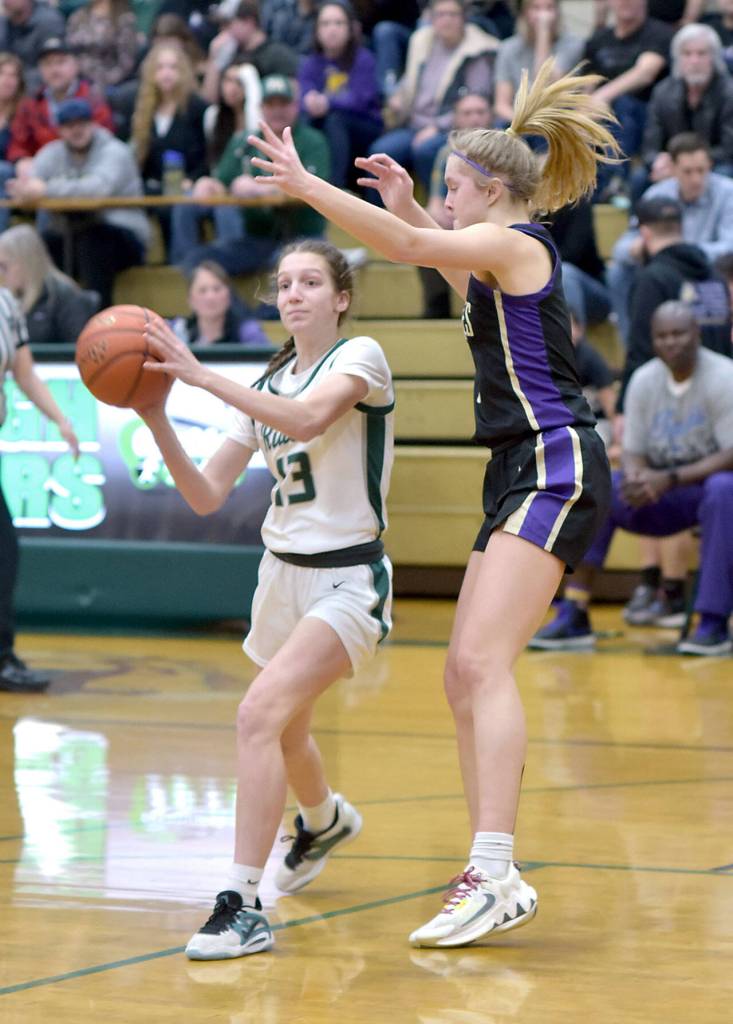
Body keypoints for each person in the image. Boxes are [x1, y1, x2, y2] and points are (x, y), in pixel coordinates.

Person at [247, 58, 617, 946]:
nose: (446, 205)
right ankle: (484, 868)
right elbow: (436, 254)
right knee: (462, 671)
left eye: (454, 190)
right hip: (514, 469)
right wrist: (411, 204)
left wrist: (307, 185)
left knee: (481, 666)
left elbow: (415, 250)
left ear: (489, 191)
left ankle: (494, 871)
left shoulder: (515, 244)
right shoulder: (495, 261)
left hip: (550, 461)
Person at [134, 238, 394, 958]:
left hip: (348, 578)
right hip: (280, 576)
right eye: (284, 284)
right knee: (285, 731)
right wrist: (156, 414)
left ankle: (243, 904)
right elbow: (205, 496)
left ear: (340, 298)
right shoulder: (267, 381)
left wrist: (199, 376)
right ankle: (323, 819)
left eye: (311, 281)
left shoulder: (360, 356)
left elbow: (310, 420)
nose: (295, 293)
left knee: (257, 715)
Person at [531, 301, 733, 656]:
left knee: (724, 489)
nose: (671, 342)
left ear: (696, 335)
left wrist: (666, 479)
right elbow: (635, 450)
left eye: (679, 334)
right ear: (653, 341)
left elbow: (730, 456)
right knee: (602, 483)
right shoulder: (643, 379)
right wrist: (638, 476)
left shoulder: (723, 377)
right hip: (663, 489)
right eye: (663, 336)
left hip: (710, 489)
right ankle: (574, 612)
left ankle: (713, 621)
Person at [0, 286, 79, 693]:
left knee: (4, 553)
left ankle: (2, 658)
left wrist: (61, 419)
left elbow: (24, 371)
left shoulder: (5, 304)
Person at [170, 74, 329, 275]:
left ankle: (258, 308)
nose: (277, 110)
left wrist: (258, 189)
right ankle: (230, 306)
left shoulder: (313, 141)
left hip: (304, 235)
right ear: (261, 108)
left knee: (286, 265)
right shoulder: (244, 142)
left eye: (283, 103)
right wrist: (208, 185)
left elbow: (312, 187)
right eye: (271, 104)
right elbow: (222, 182)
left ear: (295, 107)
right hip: (257, 238)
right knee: (198, 260)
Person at [7, 97, 150, 307]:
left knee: (92, 242)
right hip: (69, 233)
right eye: (69, 125)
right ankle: (43, 318)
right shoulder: (51, 153)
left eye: (82, 124)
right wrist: (25, 189)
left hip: (123, 234)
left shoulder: (114, 151)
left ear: (93, 124)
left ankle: (100, 316)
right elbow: (31, 183)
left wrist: (46, 189)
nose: (76, 130)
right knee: (40, 247)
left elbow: (96, 190)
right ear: (60, 129)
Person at [608, 132, 733, 346]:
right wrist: (638, 248)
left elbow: (729, 247)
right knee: (618, 272)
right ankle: (634, 347)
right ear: (673, 169)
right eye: (687, 172)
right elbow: (621, 247)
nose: (696, 178)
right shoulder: (656, 195)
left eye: (701, 170)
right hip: (663, 273)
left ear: (710, 166)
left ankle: (714, 350)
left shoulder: (727, 192)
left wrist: (678, 250)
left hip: (705, 271)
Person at [368, 0, 497, 193]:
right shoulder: (422, 42)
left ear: (464, 19)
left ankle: (438, 209)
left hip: (452, 127)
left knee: (425, 150)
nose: (446, 20)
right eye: (441, 15)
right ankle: (377, 214)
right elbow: (410, 80)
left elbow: (476, 101)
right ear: (431, 18)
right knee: (379, 153)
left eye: (452, 15)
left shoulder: (477, 51)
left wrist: (437, 127)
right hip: (413, 123)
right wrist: (398, 99)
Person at [619, 195, 731, 408]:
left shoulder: (652, 279)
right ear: (681, 229)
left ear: (645, 233)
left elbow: (640, 348)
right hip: (721, 397)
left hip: (671, 404)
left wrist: (624, 407)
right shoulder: (716, 278)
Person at [583, 0, 674, 197]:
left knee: (624, 104)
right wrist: (583, 110)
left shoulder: (658, 33)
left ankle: (616, 179)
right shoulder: (599, 39)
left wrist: (602, 96)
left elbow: (645, 73)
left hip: (647, 117)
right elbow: (587, 84)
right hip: (603, 116)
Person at [638, 22, 733, 198]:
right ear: (677, 59)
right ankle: (639, 225)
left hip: (714, 164)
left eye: (701, 53)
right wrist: (659, 161)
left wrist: (688, 165)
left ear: (714, 58)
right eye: (687, 54)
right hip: (674, 164)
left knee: (725, 173)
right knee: (640, 178)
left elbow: (729, 148)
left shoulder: (729, 92)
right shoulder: (663, 91)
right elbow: (650, 146)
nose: (694, 60)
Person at [130, 42, 208, 256]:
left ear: (183, 72)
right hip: (152, 187)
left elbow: (207, 155)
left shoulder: (196, 108)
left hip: (188, 184)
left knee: (174, 207)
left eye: (173, 67)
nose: (166, 73)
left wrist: (192, 179)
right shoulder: (144, 111)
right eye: (160, 67)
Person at [298, 1, 382, 190]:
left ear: (351, 29)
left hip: (364, 126)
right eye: (325, 24)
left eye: (338, 23)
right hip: (327, 123)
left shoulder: (364, 58)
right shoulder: (310, 63)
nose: (332, 29)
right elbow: (303, 96)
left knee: (335, 120)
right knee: (305, 122)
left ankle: (335, 188)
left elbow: (361, 99)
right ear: (317, 30)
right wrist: (309, 101)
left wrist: (327, 102)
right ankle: (303, 183)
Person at [0, 224, 100, 345]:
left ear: (24, 263)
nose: (1, 274)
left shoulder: (65, 296)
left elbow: (78, 346)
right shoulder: (9, 299)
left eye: (3, 266)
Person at [493, 0, 584, 127]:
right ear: (524, 13)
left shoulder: (572, 45)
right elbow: (501, 105)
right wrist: (523, 124)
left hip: (558, 119)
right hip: (518, 121)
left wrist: (543, 32)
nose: (543, 15)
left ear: (558, 12)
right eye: (536, 8)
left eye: (549, 8)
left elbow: (545, 85)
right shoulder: (508, 48)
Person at [169, 260, 270, 346]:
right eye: (202, 290)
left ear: (229, 295)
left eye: (217, 289)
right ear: (190, 300)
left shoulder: (248, 333)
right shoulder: (177, 331)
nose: (210, 297)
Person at [0, 0, 65, 91]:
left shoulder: (48, 21)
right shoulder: (3, 23)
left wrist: (15, 80)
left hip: (40, 92)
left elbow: (52, 67)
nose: (6, 1)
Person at [0, 52, 24, 234]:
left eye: (13, 75)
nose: (7, 80)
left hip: (14, 172)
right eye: (2, 74)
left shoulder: (26, 111)